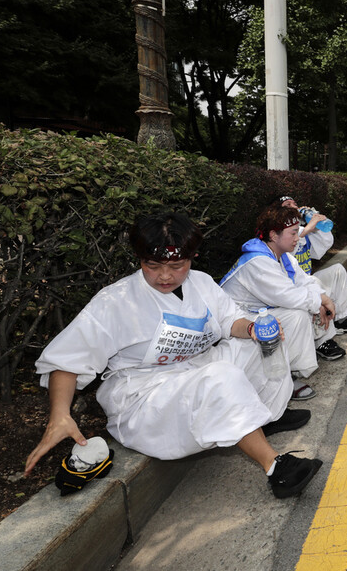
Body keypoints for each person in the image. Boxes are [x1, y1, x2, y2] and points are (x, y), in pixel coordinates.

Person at [24, 212, 322, 499]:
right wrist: (60, 415)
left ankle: (261, 418)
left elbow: (231, 320)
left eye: (177, 265)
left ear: (191, 259)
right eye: (152, 265)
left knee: (260, 345)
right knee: (222, 378)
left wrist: (254, 329)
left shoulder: (202, 283)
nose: (164, 276)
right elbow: (68, 359)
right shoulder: (116, 301)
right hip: (145, 396)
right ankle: (276, 468)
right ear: (140, 260)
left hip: (194, 368)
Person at [220, 206, 343, 401]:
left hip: (256, 313)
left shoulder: (281, 256)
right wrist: (318, 301)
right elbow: (289, 296)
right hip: (238, 323)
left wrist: (322, 298)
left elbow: (305, 281)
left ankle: (290, 372)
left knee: (306, 304)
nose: (298, 237)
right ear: (273, 235)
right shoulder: (257, 261)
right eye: (293, 233)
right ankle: (286, 378)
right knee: (297, 315)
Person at [276, 195, 347, 336]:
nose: (293, 207)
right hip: (292, 289)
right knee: (313, 282)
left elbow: (325, 244)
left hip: (307, 281)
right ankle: (322, 340)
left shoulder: (303, 230)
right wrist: (308, 228)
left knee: (337, 269)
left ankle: (341, 319)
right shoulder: (278, 235)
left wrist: (317, 222)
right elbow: (288, 249)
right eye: (287, 205)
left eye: (294, 203)